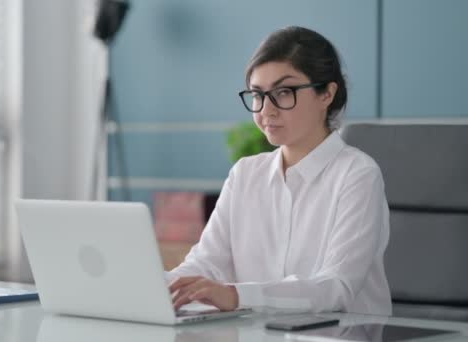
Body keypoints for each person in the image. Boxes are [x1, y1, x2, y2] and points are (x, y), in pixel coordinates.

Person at [166, 26, 392, 315]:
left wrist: (236, 296)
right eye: (258, 95)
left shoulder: (357, 174)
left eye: (284, 92)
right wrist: (155, 287)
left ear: (327, 94)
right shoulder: (246, 174)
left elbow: (337, 287)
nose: (266, 110)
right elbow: (206, 263)